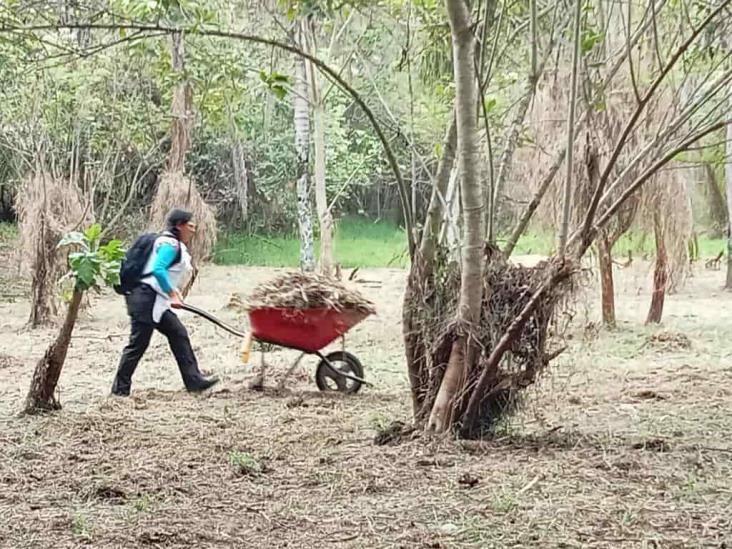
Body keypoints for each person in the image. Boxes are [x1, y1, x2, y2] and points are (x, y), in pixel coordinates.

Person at [111, 208, 219, 396]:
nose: (193, 230)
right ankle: (119, 392)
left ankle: (194, 381)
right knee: (138, 344)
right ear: (179, 226)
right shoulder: (170, 244)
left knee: (178, 333)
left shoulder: (167, 242)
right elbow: (159, 270)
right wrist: (173, 293)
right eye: (191, 225)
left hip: (153, 300)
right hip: (146, 300)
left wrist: (171, 293)